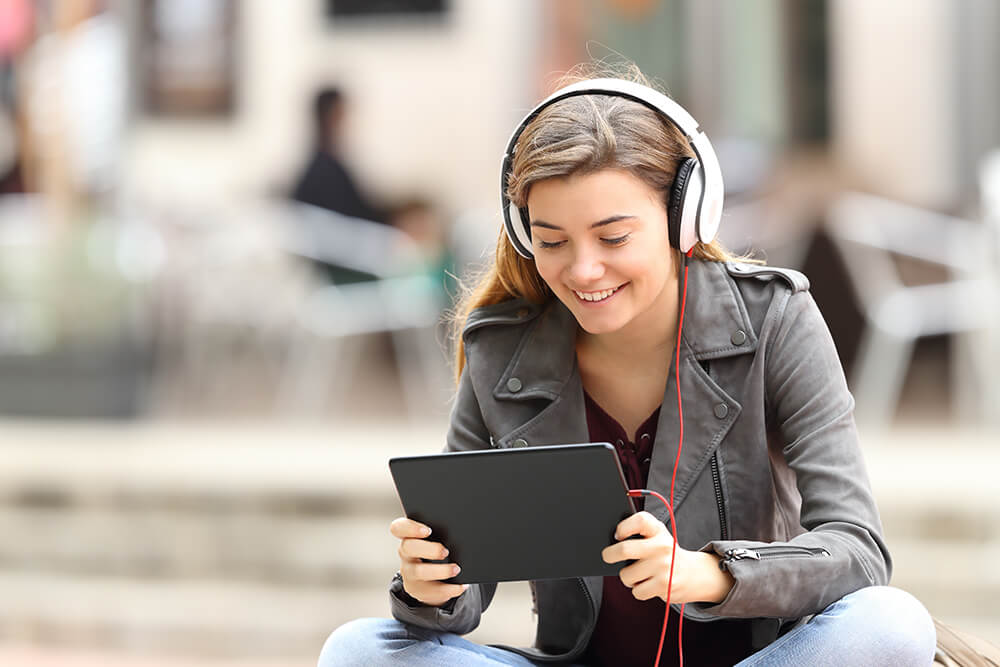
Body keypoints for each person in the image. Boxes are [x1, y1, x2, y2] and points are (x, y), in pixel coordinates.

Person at [318, 66, 937, 666]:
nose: (582, 270)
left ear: (683, 218)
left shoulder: (775, 318)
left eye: (613, 238)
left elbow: (857, 550)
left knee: (891, 623)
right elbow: (465, 594)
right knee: (357, 651)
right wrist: (432, 587)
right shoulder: (500, 351)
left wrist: (711, 573)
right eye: (552, 241)